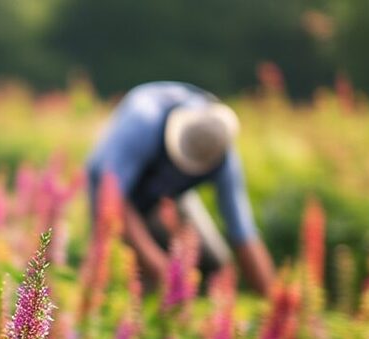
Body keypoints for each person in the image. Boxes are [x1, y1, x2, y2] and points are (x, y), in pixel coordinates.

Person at [87, 81, 275, 296]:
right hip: (111, 192)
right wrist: (159, 266)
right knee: (121, 275)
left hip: (166, 198)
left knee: (215, 266)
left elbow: (243, 233)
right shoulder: (143, 121)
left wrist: (275, 304)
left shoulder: (221, 154)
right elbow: (112, 199)